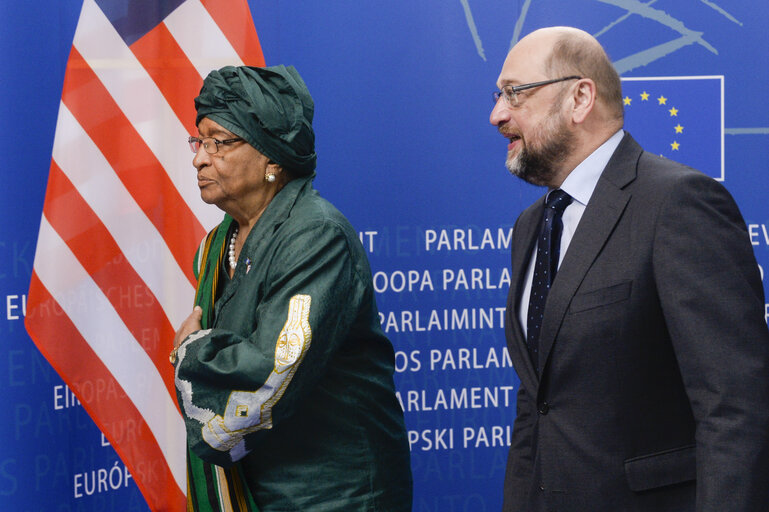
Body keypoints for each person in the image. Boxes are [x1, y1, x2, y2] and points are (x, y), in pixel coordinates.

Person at [489, 26, 769, 511]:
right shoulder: (531, 226)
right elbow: (538, 406)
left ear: (579, 98)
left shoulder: (678, 204)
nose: (497, 114)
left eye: (515, 93)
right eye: (498, 95)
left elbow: (736, 408)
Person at [170, 65, 412, 511]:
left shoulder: (316, 235)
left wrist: (190, 350)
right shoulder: (218, 244)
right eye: (198, 141)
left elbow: (271, 374)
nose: (199, 158)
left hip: (333, 496)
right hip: (258, 487)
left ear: (272, 159)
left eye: (219, 142)